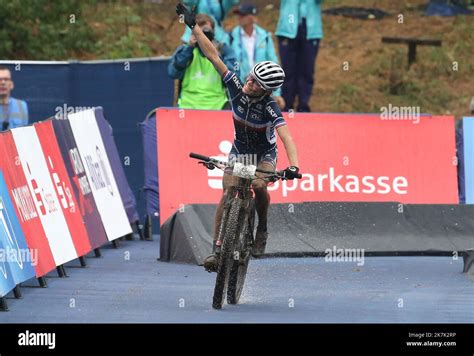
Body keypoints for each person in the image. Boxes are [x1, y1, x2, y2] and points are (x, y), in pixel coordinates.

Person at [176, 3, 300, 272]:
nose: (249, 82)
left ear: (265, 92)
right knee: (229, 191)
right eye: (251, 77)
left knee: (260, 186)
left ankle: (262, 229)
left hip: (264, 156)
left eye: (255, 83)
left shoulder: (270, 107)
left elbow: (286, 137)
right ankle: (217, 249)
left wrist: (293, 166)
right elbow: (213, 56)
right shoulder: (236, 87)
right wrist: (192, 25)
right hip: (240, 152)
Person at [168, 13, 238, 110]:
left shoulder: (224, 50)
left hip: (217, 106)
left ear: (213, 32)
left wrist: (217, 55)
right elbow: (173, 73)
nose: (202, 37)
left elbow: (235, 79)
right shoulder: (184, 50)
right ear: (193, 33)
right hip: (188, 106)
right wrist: (189, 48)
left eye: (205, 33)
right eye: (199, 33)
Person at [229, 3, 285, 110]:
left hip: (260, 88)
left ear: (252, 17)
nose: (239, 17)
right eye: (238, 15)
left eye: (243, 15)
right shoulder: (231, 36)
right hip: (239, 87)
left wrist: (277, 92)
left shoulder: (265, 36)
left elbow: (274, 64)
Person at [275, 0, 324, 112]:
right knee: (287, 70)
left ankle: (303, 106)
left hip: (311, 30)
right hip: (287, 28)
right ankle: (286, 106)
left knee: (307, 70)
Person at [0, 66, 29, 131]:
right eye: (0, 79)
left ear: (11, 84)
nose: (3, 82)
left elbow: (24, 131)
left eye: (6, 79)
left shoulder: (22, 105)